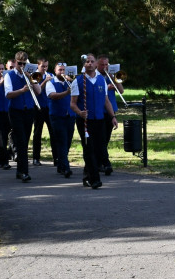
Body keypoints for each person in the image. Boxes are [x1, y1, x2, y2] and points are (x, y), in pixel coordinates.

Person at [70, 54, 117, 189]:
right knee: (89, 149)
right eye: (87, 62)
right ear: (84, 65)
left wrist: (112, 116)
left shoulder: (102, 80)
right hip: (85, 121)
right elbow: (72, 104)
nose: (90, 63)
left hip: (100, 120)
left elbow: (106, 101)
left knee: (99, 150)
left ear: (96, 64)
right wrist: (79, 112)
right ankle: (95, 180)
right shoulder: (78, 81)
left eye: (92, 61)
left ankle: (87, 176)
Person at [4, 51, 41, 182]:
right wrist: (21, 90)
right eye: (19, 63)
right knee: (21, 140)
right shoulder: (9, 75)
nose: (21, 66)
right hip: (15, 110)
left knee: (25, 140)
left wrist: (31, 78)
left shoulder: (30, 75)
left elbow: (39, 91)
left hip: (29, 110)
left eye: (24, 64)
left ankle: (20, 171)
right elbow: (8, 94)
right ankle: (24, 171)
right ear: (15, 62)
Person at [46, 62, 75, 178]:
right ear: (55, 70)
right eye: (60, 70)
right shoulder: (50, 82)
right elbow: (53, 95)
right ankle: (66, 167)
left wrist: (72, 82)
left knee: (68, 141)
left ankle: (61, 164)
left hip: (70, 115)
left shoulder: (71, 82)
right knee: (62, 140)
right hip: (57, 116)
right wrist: (67, 92)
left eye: (64, 70)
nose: (62, 72)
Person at [96, 55, 122, 175]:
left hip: (111, 110)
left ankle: (100, 162)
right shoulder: (95, 75)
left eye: (107, 64)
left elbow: (121, 91)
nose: (105, 67)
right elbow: (96, 91)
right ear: (97, 64)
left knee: (106, 138)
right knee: (100, 138)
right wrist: (107, 87)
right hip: (99, 109)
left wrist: (114, 78)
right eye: (102, 64)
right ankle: (103, 163)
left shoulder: (110, 76)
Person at [31, 58, 52, 166]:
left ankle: (57, 158)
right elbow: (37, 91)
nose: (44, 68)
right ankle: (36, 158)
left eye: (46, 66)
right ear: (37, 66)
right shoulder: (34, 76)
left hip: (49, 107)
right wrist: (45, 81)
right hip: (38, 107)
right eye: (42, 66)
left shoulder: (50, 75)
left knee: (53, 132)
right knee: (37, 133)